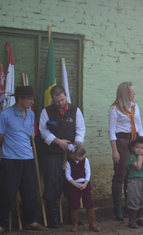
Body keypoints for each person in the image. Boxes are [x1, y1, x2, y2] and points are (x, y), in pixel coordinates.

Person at [0, 86, 47, 233]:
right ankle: (0, 223)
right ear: (21, 99)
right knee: (7, 193)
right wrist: (9, 150)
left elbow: (29, 136)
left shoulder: (31, 114)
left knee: (30, 192)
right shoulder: (5, 115)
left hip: (28, 159)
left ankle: (30, 221)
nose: (32, 102)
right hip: (10, 160)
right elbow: (0, 137)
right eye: (30, 99)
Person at [39, 85, 85, 228]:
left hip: (72, 155)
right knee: (52, 183)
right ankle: (53, 218)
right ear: (52, 99)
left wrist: (77, 143)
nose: (60, 103)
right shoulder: (46, 111)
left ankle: (72, 218)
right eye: (57, 101)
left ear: (66, 95)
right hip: (53, 154)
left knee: (72, 185)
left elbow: (80, 129)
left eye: (62, 100)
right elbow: (43, 131)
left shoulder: (75, 110)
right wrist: (57, 141)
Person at [108, 82, 143, 221]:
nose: (134, 93)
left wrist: (142, 144)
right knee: (121, 173)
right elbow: (111, 131)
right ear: (124, 93)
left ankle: (130, 207)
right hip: (121, 142)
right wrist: (114, 150)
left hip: (134, 141)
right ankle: (117, 209)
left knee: (132, 174)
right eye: (131, 92)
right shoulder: (115, 109)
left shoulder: (135, 107)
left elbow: (139, 125)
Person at [65, 143, 100, 232]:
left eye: (84, 155)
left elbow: (88, 172)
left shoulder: (85, 160)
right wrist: (75, 184)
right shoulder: (69, 162)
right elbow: (68, 175)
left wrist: (85, 183)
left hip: (85, 184)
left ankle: (92, 224)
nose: (83, 157)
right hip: (74, 185)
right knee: (74, 203)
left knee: (89, 202)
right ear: (73, 155)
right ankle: (75, 224)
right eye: (81, 156)